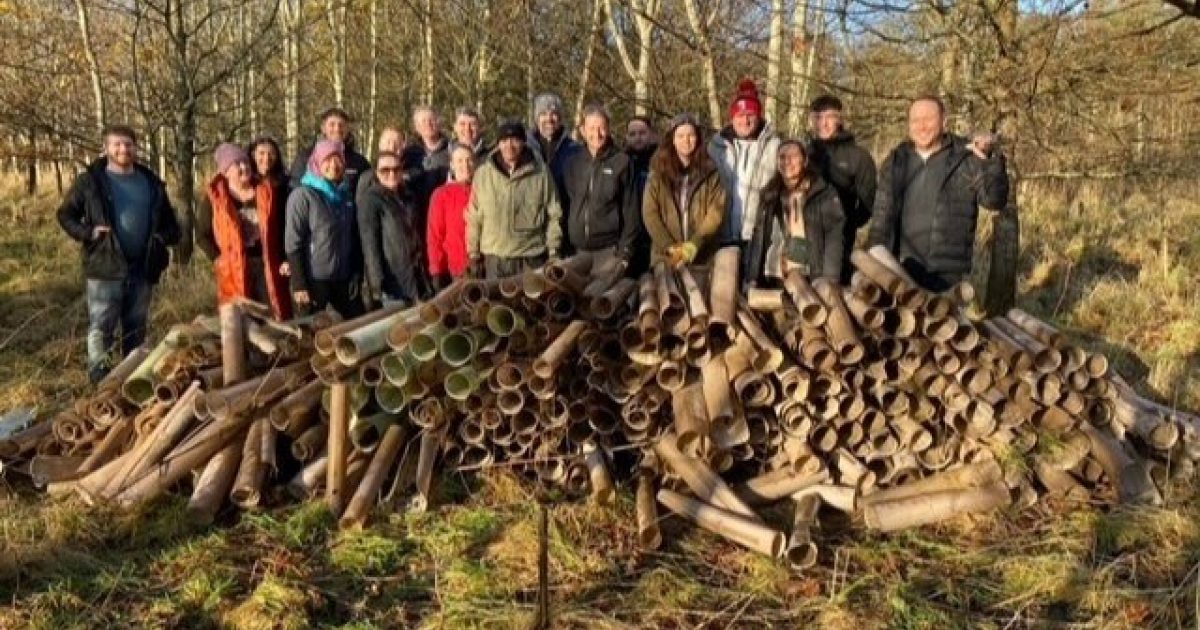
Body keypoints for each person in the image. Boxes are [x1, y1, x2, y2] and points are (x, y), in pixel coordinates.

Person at [56, 124, 180, 384]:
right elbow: (65, 214)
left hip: (143, 267)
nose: (123, 149)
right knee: (102, 329)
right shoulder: (91, 181)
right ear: (106, 148)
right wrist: (88, 233)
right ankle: (102, 384)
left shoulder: (151, 182)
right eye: (117, 144)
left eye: (128, 144)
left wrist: (160, 238)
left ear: (136, 147)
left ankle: (133, 383)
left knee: (136, 329)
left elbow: (172, 225)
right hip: (105, 266)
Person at [868, 95, 1010, 292]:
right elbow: (881, 216)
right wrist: (875, 259)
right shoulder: (896, 161)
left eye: (928, 119)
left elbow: (995, 201)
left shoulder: (967, 157)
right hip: (899, 267)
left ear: (944, 122)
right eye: (916, 121)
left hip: (946, 274)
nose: (922, 126)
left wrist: (991, 161)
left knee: (945, 322)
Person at [197, 143, 291, 320]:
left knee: (273, 314)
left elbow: (282, 228)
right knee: (240, 318)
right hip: (234, 268)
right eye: (237, 164)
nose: (244, 167)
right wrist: (219, 259)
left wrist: (285, 258)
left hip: (267, 265)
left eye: (246, 163)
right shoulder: (215, 199)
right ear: (226, 172)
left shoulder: (266, 191)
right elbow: (202, 236)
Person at [466, 121, 562, 279]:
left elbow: (554, 214)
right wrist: (473, 254)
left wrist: (553, 251)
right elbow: (474, 216)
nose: (509, 146)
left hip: (530, 259)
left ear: (524, 143)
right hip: (494, 260)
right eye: (504, 141)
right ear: (498, 144)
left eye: (515, 140)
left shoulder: (541, 174)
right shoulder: (483, 174)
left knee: (529, 304)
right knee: (496, 304)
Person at [746, 140, 846, 286]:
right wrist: (752, 277)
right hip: (774, 273)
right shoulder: (769, 195)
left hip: (811, 275)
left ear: (805, 161)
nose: (787, 161)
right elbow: (759, 236)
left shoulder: (823, 193)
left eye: (793, 156)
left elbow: (835, 237)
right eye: (782, 157)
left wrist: (830, 279)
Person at [708, 79, 780, 277]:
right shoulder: (716, 147)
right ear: (732, 117)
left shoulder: (774, 146)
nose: (745, 121)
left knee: (754, 294)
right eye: (740, 115)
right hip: (721, 236)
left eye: (750, 115)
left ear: (758, 117)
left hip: (759, 238)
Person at [285, 140, 363, 318]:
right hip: (314, 280)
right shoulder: (303, 196)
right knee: (309, 334)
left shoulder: (345, 197)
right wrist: (299, 284)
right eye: (327, 160)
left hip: (342, 277)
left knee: (357, 324)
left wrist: (355, 273)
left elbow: (352, 237)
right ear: (317, 162)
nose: (333, 166)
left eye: (338, 160)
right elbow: (292, 244)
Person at [561, 104, 639, 275]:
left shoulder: (622, 162)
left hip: (609, 253)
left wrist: (625, 252)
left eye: (602, 128)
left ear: (609, 129)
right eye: (591, 128)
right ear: (582, 130)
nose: (596, 134)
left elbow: (631, 212)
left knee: (601, 300)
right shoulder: (572, 162)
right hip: (576, 252)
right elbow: (566, 205)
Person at [807, 95, 877, 283]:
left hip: (840, 242)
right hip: (805, 241)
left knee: (834, 289)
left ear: (840, 119)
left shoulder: (858, 157)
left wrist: (847, 222)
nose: (823, 123)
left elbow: (868, 202)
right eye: (818, 118)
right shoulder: (805, 155)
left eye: (829, 117)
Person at [642, 114, 726, 268]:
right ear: (672, 139)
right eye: (680, 136)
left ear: (698, 138)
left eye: (691, 135)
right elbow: (650, 213)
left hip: (703, 257)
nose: (686, 141)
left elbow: (716, 213)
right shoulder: (657, 173)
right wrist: (669, 246)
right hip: (665, 257)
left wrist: (694, 244)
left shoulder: (710, 172)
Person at [357, 151, 430, 308]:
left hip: (415, 276)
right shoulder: (371, 200)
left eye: (396, 169)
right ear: (377, 173)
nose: (391, 174)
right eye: (385, 170)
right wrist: (377, 283)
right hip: (392, 280)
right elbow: (370, 244)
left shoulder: (409, 196)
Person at [289, 107, 372, 193]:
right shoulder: (306, 157)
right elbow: (294, 188)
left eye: (341, 125)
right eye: (332, 124)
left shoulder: (359, 162)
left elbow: (368, 191)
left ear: (347, 129)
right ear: (323, 128)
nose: (337, 129)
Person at [427, 145, 477, 288]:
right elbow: (435, 236)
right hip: (455, 270)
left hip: (482, 266)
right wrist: (437, 271)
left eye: (469, 160)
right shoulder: (441, 195)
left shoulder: (482, 190)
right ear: (452, 165)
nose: (465, 165)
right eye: (460, 161)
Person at [528, 92, 580, 208]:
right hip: (532, 217)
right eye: (543, 114)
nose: (549, 119)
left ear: (560, 118)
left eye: (554, 114)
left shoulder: (574, 150)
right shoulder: (526, 148)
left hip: (564, 215)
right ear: (537, 119)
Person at [625, 115, 658, 276]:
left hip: (655, 239)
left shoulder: (661, 163)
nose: (638, 138)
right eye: (633, 134)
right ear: (626, 137)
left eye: (642, 133)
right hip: (629, 240)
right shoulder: (621, 164)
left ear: (651, 135)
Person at [402, 106, 451, 189]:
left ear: (439, 123)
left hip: (442, 199)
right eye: (423, 121)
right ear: (417, 127)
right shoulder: (408, 152)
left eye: (432, 120)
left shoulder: (452, 149)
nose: (428, 124)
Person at [356, 126, 407, 201]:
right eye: (388, 142)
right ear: (380, 145)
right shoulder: (368, 178)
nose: (392, 147)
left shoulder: (411, 176)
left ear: (403, 147)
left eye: (397, 143)